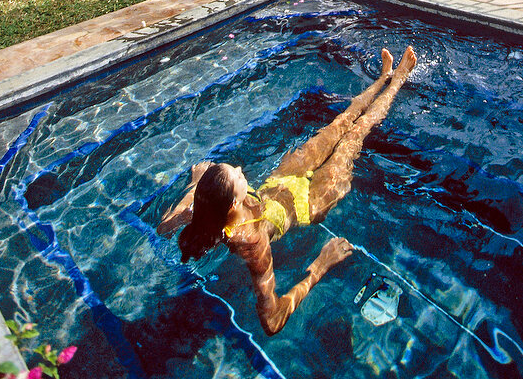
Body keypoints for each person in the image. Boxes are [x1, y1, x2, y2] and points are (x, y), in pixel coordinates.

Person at [157, 45, 417, 335]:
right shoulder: (254, 245)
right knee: (358, 132)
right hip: (308, 202)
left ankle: (382, 78)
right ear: (232, 204)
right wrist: (319, 266)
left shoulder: (204, 210)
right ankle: (399, 80)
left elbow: (163, 227)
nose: (242, 172)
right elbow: (272, 321)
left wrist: (195, 185)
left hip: (280, 182)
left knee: (342, 121)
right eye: (238, 176)